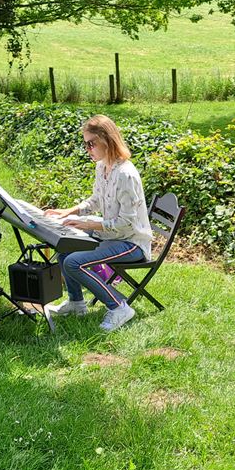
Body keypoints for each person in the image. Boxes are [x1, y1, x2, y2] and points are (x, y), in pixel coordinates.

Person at [45, 115, 152, 332]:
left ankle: (119, 307)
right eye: (85, 144)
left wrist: (89, 225)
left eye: (91, 144)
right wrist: (68, 211)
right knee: (65, 246)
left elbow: (126, 224)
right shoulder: (102, 166)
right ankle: (76, 303)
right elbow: (95, 200)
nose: (87, 149)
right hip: (112, 236)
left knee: (73, 262)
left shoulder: (126, 175)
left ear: (106, 139)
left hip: (132, 243)